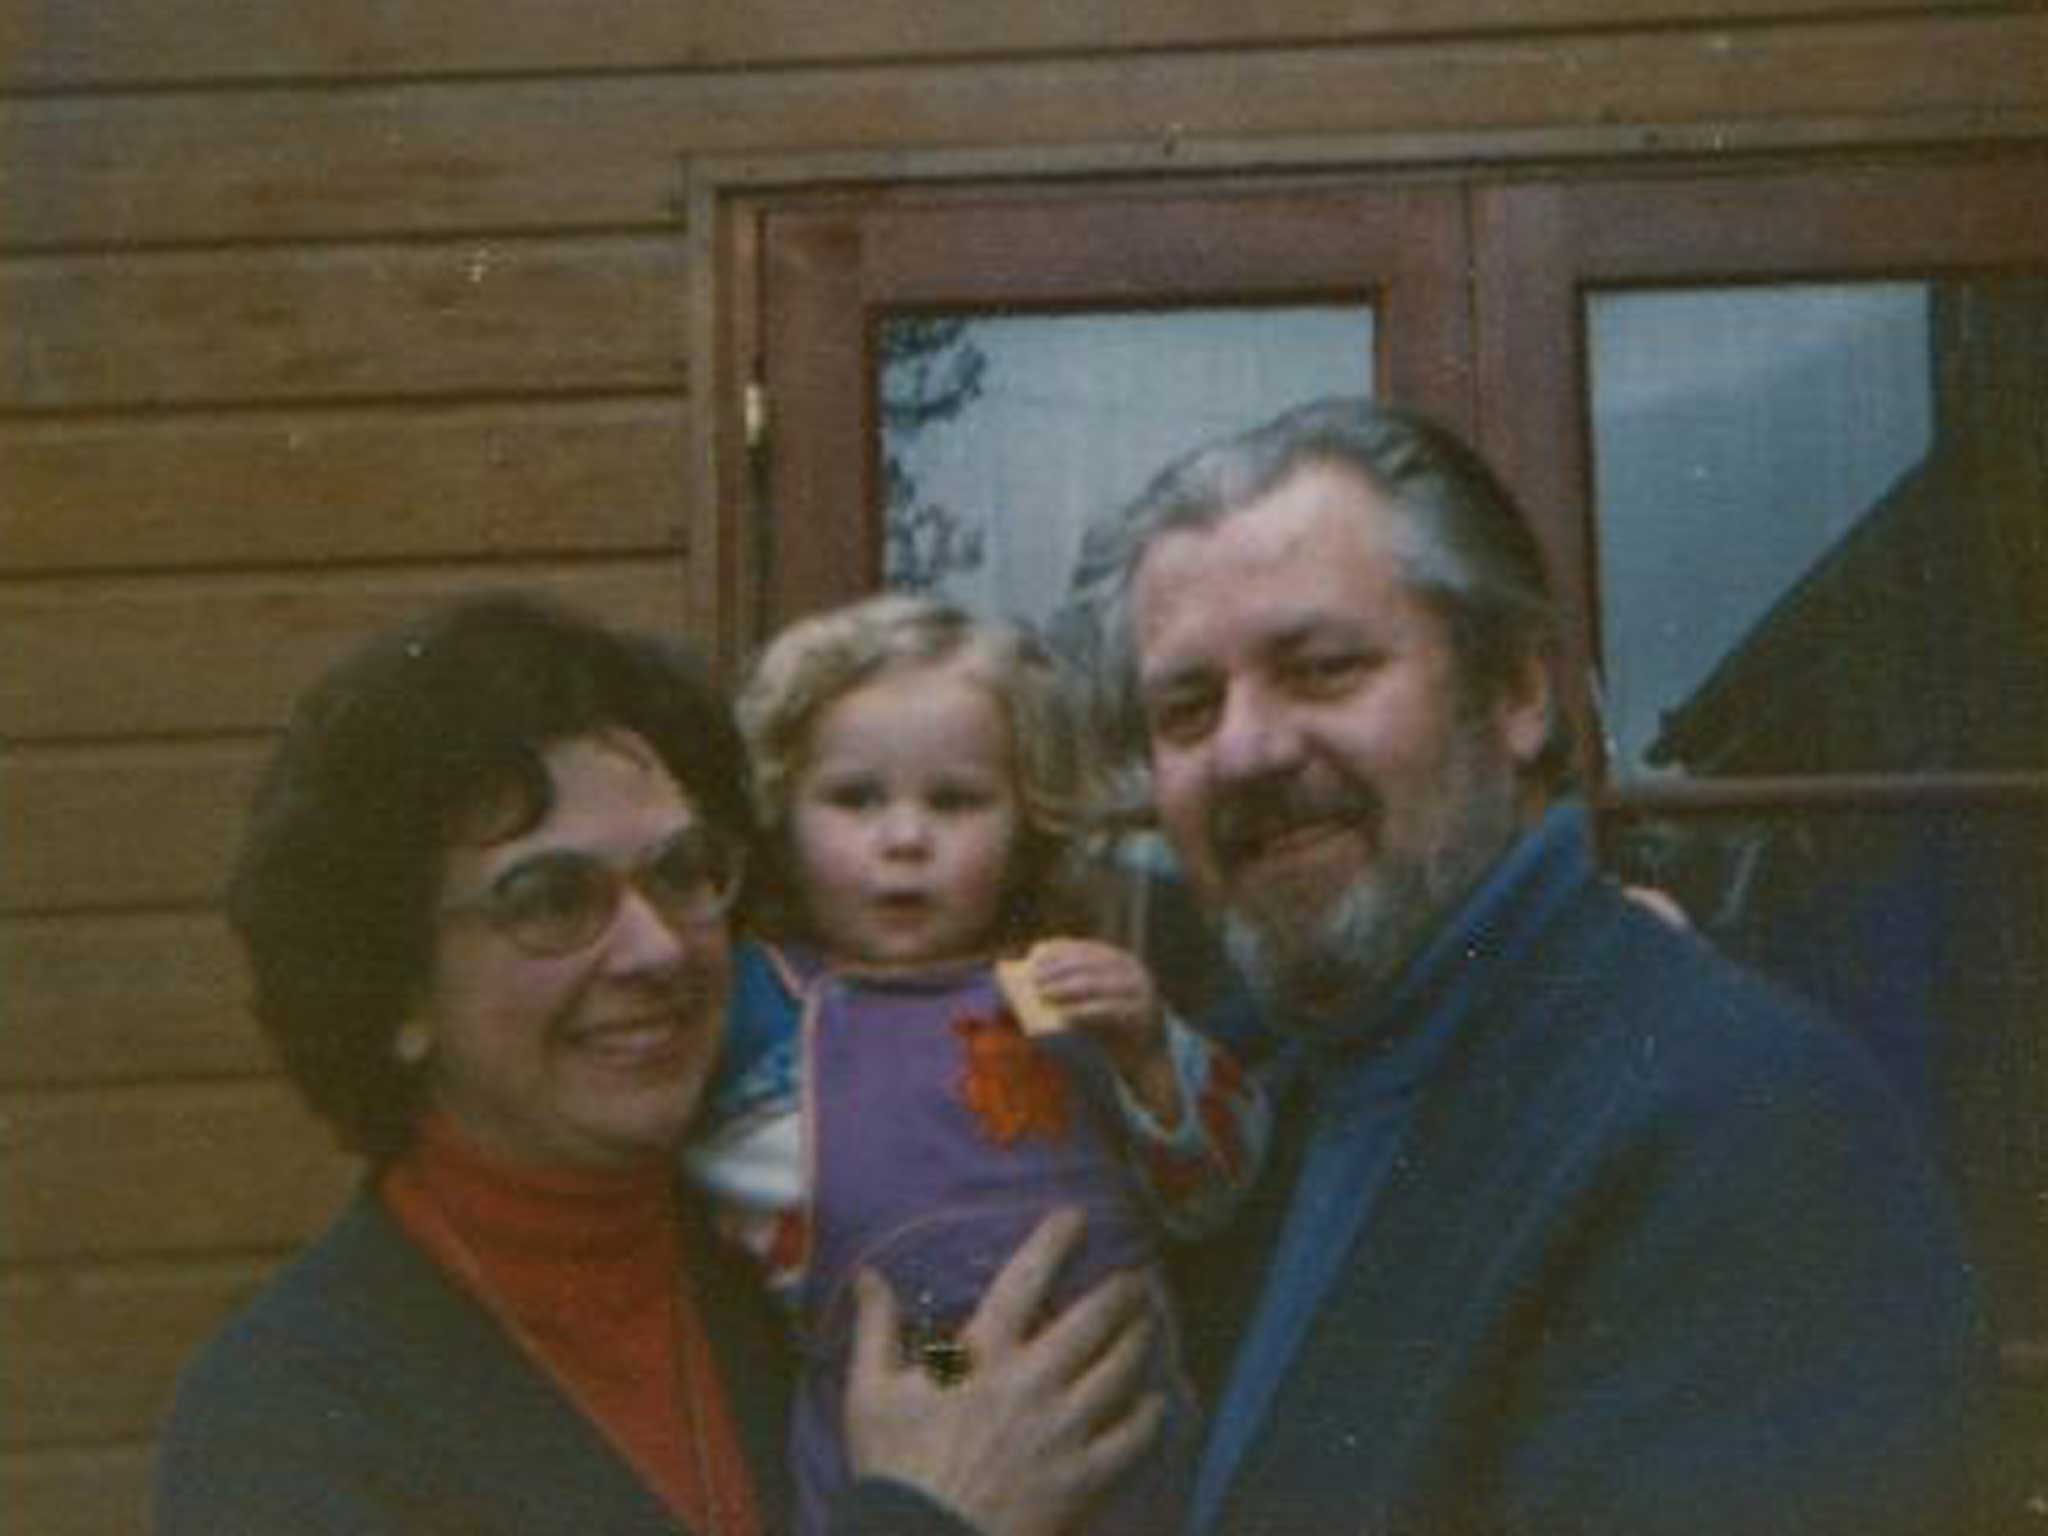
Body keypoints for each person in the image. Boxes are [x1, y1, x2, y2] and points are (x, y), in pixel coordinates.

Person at [1062, 398, 1994, 1535]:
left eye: (1321, 669)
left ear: (1515, 693)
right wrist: (935, 1451)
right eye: (1187, 707)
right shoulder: (1231, 1106)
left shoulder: (1735, 1133)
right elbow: (946, 1325)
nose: (1246, 749)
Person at [154, 592, 1163, 1536]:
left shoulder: (766, 1231)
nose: (657, 949)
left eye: (681, 875)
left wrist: (961, 1399)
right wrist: (924, 1516)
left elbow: (911, 1366)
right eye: (550, 899)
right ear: (396, 989)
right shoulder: (293, 1412)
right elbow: (930, 1487)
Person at [684, 593, 1269, 1536]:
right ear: (782, 815)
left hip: (1128, 1417)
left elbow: (1219, 1193)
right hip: (922, 1388)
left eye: (955, 800)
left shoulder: (1059, 986)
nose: (905, 838)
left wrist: (1152, 1052)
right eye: (855, 798)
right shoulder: (763, 1004)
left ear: (1024, 821)